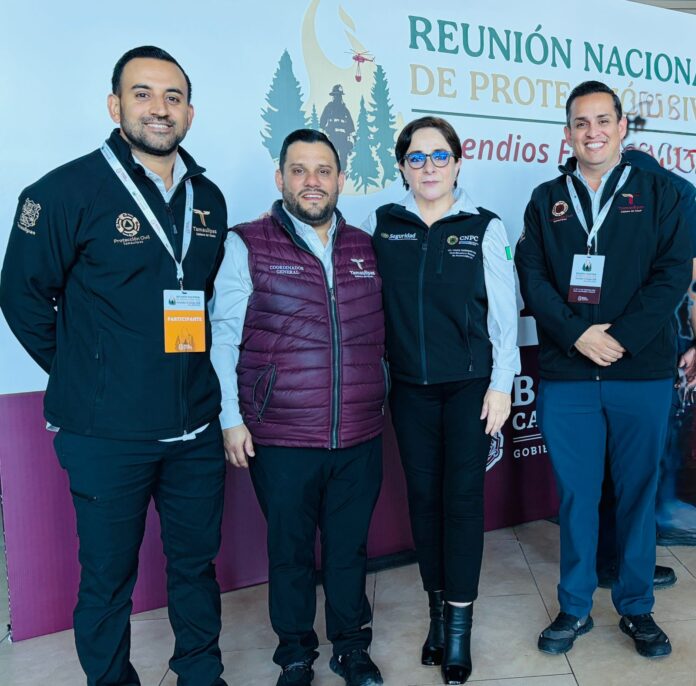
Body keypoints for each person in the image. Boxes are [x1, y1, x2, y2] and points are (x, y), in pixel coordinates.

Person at [0, 46, 229, 685]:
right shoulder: (65, 191)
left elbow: (203, 294)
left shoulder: (207, 198)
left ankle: (201, 674)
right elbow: (20, 295)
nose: (160, 108)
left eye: (173, 97)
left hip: (194, 428)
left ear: (189, 113)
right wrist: (84, 370)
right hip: (106, 434)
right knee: (107, 578)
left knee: (195, 567)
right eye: (142, 93)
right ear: (115, 105)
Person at [515, 80, 691, 659]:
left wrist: (618, 338)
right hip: (569, 375)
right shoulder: (546, 199)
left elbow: (673, 274)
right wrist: (577, 334)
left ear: (621, 127)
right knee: (576, 496)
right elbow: (532, 277)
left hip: (640, 372)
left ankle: (637, 607)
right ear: (567, 133)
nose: (592, 132)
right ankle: (574, 606)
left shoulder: (661, 192)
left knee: (637, 495)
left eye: (602, 120)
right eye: (580, 123)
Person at [210, 129, 386, 686]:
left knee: (348, 549)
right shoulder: (247, 243)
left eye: (323, 170)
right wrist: (231, 418)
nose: (312, 181)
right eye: (300, 170)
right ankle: (294, 653)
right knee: (289, 552)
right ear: (280, 178)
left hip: (358, 432)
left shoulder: (364, 246)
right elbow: (223, 337)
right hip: (282, 436)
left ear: (340, 179)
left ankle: (351, 648)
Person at [362, 116, 520, 685]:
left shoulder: (484, 226)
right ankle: (435, 614)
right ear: (402, 166)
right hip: (409, 390)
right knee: (424, 504)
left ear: (457, 162)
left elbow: (504, 314)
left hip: (470, 389)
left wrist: (502, 383)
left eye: (439, 156)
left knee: (463, 503)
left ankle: (458, 629)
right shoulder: (383, 225)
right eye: (416, 157)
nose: (428, 166)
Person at [595, 146, 696, 587]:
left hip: (611, 345)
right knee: (632, 466)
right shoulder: (676, 194)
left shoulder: (667, 194)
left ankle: (614, 559)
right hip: (633, 349)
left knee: (618, 465)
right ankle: (620, 561)